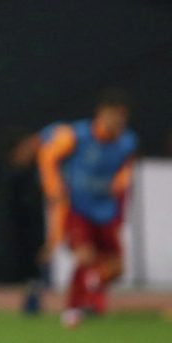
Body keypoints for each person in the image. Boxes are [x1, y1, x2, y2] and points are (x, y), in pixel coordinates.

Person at [37, 90, 137, 328]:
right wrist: (54, 188)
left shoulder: (127, 142)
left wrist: (120, 188)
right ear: (100, 113)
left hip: (106, 210)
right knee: (85, 256)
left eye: (120, 117)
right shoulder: (77, 136)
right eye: (112, 115)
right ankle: (75, 307)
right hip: (79, 209)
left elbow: (125, 172)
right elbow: (47, 154)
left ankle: (91, 293)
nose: (116, 121)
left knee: (116, 269)